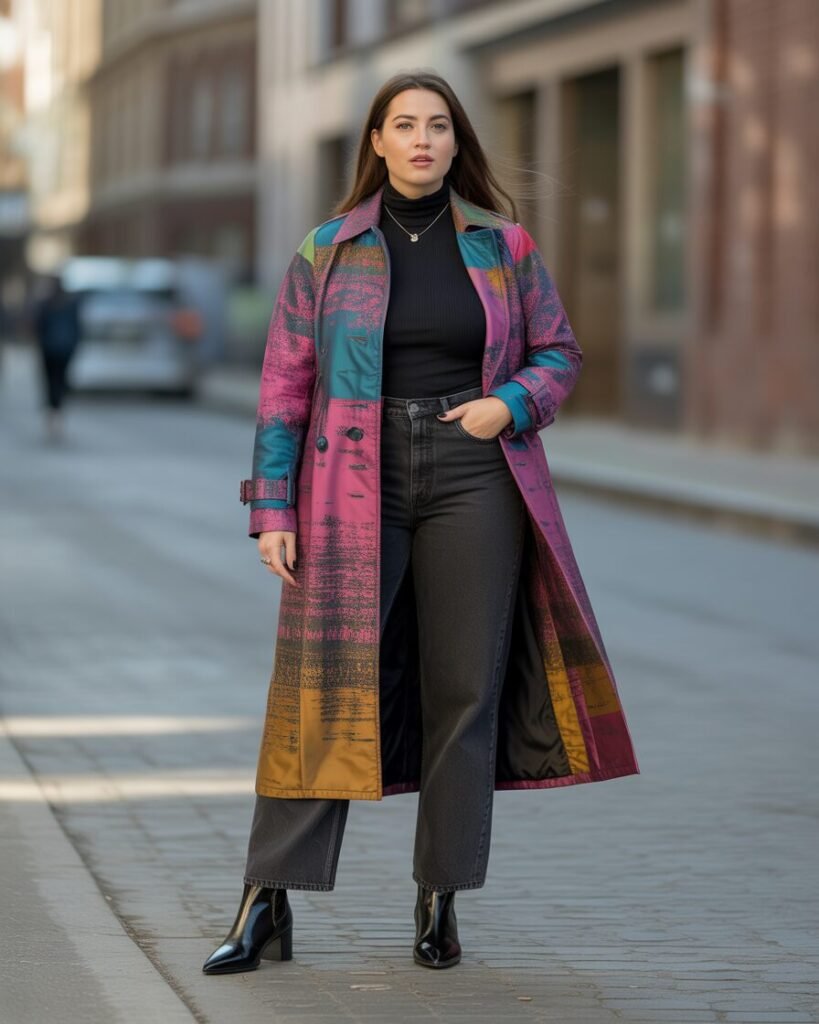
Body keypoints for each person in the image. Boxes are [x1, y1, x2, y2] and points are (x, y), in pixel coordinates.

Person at [203, 70, 639, 976]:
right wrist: (272, 508)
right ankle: (264, 898)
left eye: (437, 126)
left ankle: (439, 898)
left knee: (463, 691)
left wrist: (510, 403)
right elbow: (285, 390)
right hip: (350, 478)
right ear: (376, 141)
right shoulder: (326, 250)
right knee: (324, 685)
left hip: (475, 472)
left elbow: (559, 349)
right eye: (403, 125)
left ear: (454, 141)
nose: (421, 140)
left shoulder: (501, 245)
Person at [32, 275, 82, 442]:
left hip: (50, 349)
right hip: (65, 349)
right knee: (60, 382)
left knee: (51, 382)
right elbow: (78, 327)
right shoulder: (70, 303)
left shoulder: (47, 303)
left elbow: (38, 326)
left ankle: (53, 416)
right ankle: (57, 414)